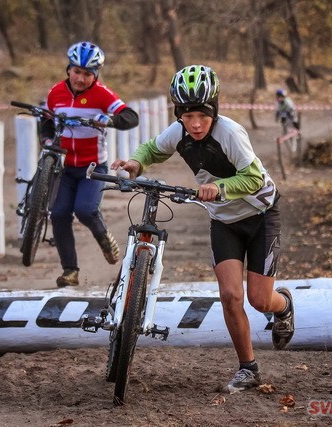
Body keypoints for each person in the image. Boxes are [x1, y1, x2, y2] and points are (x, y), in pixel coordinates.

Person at [111, 65, 295, 393]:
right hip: (224, 221)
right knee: (229, 295)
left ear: (215, 111)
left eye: (202, 116)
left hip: (261, 217)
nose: (195, 124)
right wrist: (136, 164)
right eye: (187, 115)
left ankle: (284, 305)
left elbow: (254, 178)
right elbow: (152, 148)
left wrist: (220, 187)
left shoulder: (231, 133)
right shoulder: (178, 133)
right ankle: (248, 368)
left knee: (259, 300)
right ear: (178, 114)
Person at [41, 41, 139, 287]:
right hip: (63, 167)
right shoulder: (55, 93)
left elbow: (130, 117)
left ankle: (104, 236)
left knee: (85, 210)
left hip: (92, 169)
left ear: (95, 75)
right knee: (59, 214)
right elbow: (45, 120)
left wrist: (109, 120)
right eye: (77, 71)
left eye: (87, 74)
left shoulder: (102, 94)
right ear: (68, 69)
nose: (81, 78)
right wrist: (45, 138)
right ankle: (70, 271)